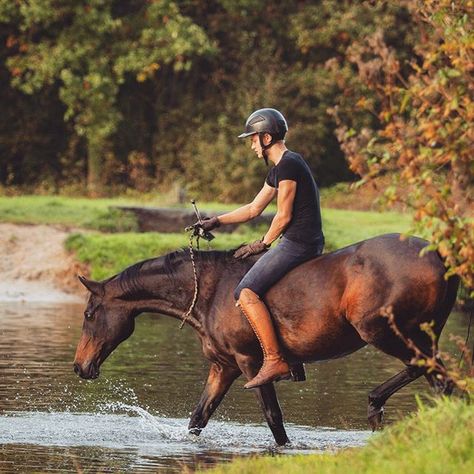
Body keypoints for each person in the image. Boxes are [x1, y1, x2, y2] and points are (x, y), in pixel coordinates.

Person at [195, 108, 324, 389]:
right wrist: (215, 221)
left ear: (266, 137)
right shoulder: (279, 168)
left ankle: (275, 359)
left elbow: (284, 216)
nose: (251, 144)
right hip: (296, 241)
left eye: (253, 139)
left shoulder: (289, 165)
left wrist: (262, 243)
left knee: (246, 290)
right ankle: (293, 360)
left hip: (300, 243)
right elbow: (254, 208)